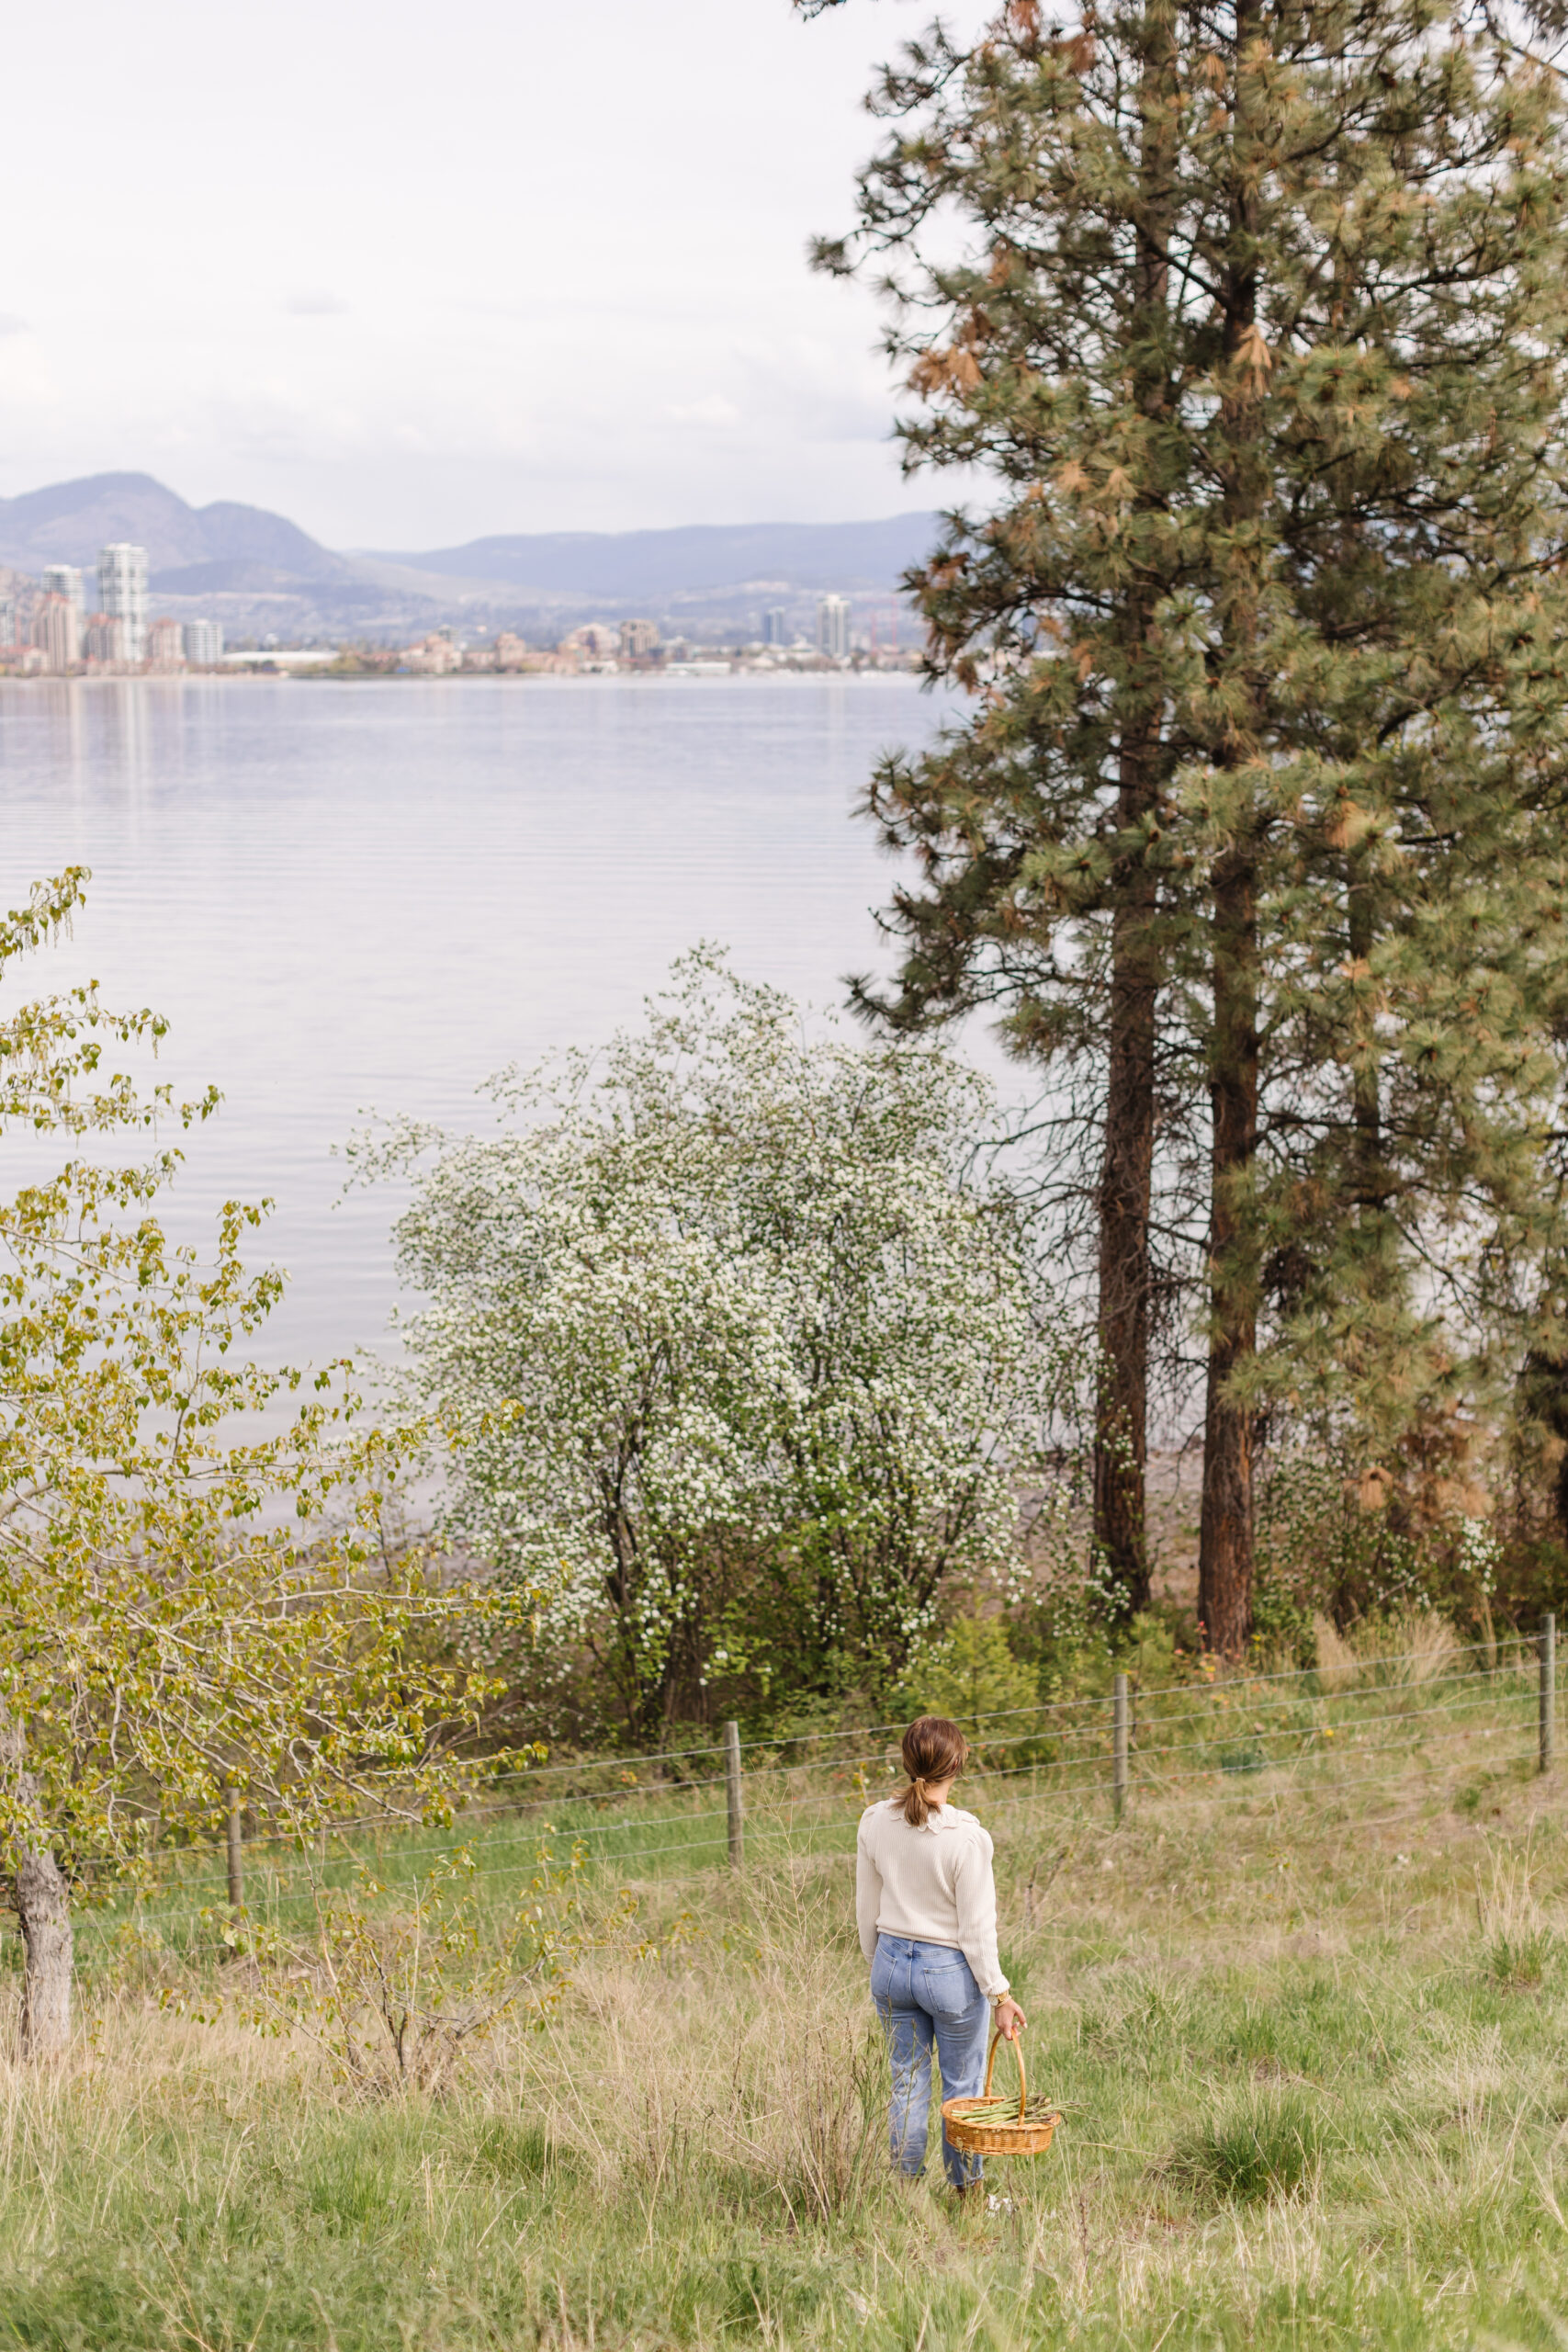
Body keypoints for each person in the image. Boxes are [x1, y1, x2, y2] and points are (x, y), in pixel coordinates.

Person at [856, 1713, 1027, 2195]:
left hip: (890, 1962)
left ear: (907, 1762)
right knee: (963, 2086)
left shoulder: (873, 1821)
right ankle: (967, 2189)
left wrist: (880, 1964)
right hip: (948, 1972)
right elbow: (976, 1931)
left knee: (905, 2081)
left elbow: (866, 1906)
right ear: (956, 1765)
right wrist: (1000, 1994)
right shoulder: (966, 1838)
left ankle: (906, 2192)